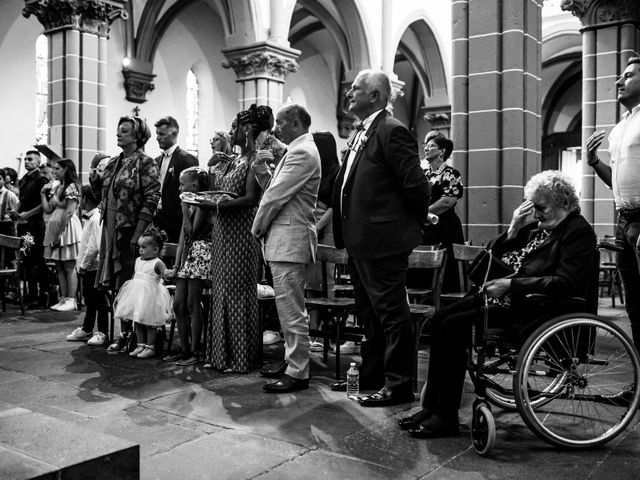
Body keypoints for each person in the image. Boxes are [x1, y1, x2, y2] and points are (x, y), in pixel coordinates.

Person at [399, 170, 598, 438]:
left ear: (564, 202)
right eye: (534, 208)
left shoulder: (578, 233)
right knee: (439, 319)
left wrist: (511, 285)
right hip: (504, 298)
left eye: (542, 208)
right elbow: (490, 254)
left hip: (534, 309)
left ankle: (444, 416)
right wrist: (513, 229)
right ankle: (431, 408)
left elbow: (566, 283)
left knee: (453, 326)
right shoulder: (536, 229)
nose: (536, 215)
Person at [330, 70, 430, 406]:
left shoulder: (391, 131)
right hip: (361, 241)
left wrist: (409, 225)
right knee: (369, 315)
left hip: (383, 241)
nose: (349, 95)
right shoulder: (363, 133)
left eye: (355, 90)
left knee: (391, 315)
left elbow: (417, 186)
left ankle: (399, 385)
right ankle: (372, 375)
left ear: (374, 96)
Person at [252, 103, 321, 393]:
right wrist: (260, 170)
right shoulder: (297, 150)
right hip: (285, 241)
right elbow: (276, 189)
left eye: (280, 122)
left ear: (295, 123)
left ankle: (298, 372)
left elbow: (274, 198)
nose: (276, 128)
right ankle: (292, 361)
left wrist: (256, 228)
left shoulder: (303, 152)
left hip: (289, 241)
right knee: (287, 309)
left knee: (292, 311)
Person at [200, 104, 271, 373]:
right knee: (220, 290)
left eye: (234, 127)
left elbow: (251, 199)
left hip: (242, 233)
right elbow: (216, 191)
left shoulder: (255, 159)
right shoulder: (232, 160)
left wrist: (215, 207)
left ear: (248, 129)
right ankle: (221, 354)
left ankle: (240, 357)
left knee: (237, 292)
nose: (231, 133)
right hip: (222, 230)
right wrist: (210, 171)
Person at [90, 116, 160, 353]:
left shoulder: (145, 162)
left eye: (125, 131)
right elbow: (102, 192)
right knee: (118, 285)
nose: (119, 134)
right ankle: (123, 333)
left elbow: (152, 198)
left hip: (131, 229)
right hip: (111, 228)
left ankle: (135, 336)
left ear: (138, 136)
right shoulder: (114, 162)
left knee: (130, 283)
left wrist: (138, 234)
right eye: (118, 130)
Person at [587, 55, 640, 351]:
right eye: (620, 76)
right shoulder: (620, 128)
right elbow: (617, 179)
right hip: (624, 220)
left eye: (629, 76)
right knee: (634, 305)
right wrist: (595, 162)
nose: (619, 81)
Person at [164, 167, 211, 366]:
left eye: (182, 184)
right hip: (187, 257)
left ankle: (195, 351)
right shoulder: (190, 205)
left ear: (194, 186)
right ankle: (183, 349)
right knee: (178, 305)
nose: (179, 188)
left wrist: (184, 210)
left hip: (201, 253)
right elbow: (183, 237)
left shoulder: (201, 205)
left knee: (193, 304)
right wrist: (176, 264)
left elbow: (192, 232)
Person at [113, 228, 173, 359]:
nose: (140, 250)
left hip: (151, 296)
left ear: (155, 250)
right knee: (138, 320)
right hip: (137, 294)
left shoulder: (158, 263)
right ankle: (140, 344)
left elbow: (166, 276)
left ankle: (150, 347)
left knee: (150, 322)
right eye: (140, 247)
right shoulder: (138, 260)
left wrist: (169, 273)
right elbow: (135, 276)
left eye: (144, 247)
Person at [306, 131, 340, 353]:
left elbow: (334, 205)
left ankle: (327, 332)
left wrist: (317, 227)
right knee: (310, 281)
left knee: (324, 280)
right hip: (311, 224)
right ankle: (312, 330)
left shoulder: (336, 172)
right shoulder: (315, 169)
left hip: (326, 228)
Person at [421, 131, 464, 293]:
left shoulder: (450, 173)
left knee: (445, 268)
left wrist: (423, 212)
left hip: (445, 226)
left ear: (442, 151)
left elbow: (448, 201)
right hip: (426, 225)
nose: (426, 149)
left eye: (431, 146)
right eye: (425, 146)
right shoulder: (423, 173)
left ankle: (443, 301)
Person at [66, 185, 108, 345]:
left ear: (86, 199)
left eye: (80, 197)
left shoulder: (96, 218)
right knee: (90, 300)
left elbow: (94, 246)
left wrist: (84, 265)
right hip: (88, 267)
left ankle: (103, 331)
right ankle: (87, 328)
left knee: (99, 300)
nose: (79, 200)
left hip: (93, 267)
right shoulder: (91, 217)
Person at [40, 159, 83, 311]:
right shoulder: (58, 186)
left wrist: (60, 233)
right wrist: (43, 194)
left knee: (69, 265)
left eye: (57, 168)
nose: (54, 171)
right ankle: (63, 298)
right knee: (58, 265)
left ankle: (71, 299)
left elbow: (70, 211)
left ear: (66, 169)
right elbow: (47, 209)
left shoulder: (72, 187)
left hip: (66, 227)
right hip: (54, 226)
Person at [12, 149, 51, 308]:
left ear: (38, 162)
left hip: (36, 226)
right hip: (24, 225)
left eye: (30, 159)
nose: (26, 161)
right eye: (26, 159)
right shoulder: (23, 179)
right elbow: (23, 200)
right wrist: (15, 211)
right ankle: (31, 293)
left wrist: (28, 214)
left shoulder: (41, 180)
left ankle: (43, 296)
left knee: (38, 262)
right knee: (27, 262)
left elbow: (43, 205)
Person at [153, 116, 199, 243]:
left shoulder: (187, 159)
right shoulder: (156, 160)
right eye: (157, 134)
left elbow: (190, 194)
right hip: (158, 218)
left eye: (161, 134)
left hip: (176, 219)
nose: (157, 138)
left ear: (174, 133)